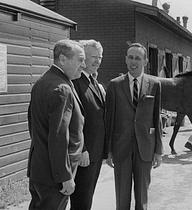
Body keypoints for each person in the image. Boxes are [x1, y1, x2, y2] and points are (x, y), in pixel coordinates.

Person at [27, 39, 86, 210]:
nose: (83, 65)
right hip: (55, 176)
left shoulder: (42, 82)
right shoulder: (62, 88)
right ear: (62, 59)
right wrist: (64, 176)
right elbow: (58, 136)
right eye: (80, 60)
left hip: (40, 169)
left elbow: (33, 125)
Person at [105, 43, 163, 210]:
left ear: (145, 61)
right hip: (121, 148)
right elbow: (110, 120)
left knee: (142, 197)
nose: (133, 61)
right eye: (130, 57)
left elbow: (156, 118)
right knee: (122, 197)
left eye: (138, 58)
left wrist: (158, 150)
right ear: (125, 59)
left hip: (145, 148)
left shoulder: (154, 84)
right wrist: (108, 151)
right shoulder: (114, 85)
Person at [70, 40, 107, 210]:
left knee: (88, 196)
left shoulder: (95, 82)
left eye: (99, 57)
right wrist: (82, 148)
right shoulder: (76, 82)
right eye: (93, 57)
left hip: (96, 152)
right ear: (83, 58)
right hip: (84, 154)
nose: (97, 61)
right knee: (81, 200)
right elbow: (74, 119)